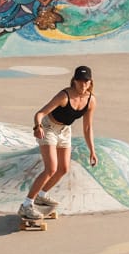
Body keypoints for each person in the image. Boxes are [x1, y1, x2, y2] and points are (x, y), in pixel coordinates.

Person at [19, 66, 98, 221]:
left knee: (63, 169)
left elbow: (88, 127)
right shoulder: (64, 96)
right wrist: (37, 126)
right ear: (74, 81)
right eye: (79, 81)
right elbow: (40, 113)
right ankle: (26, 205)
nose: (83, 84)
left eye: (86, 81)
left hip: (65, 131)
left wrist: (92, 151)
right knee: (51, 169)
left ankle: (42, 196)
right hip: (48, 128)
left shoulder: (91, 100)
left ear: (90, 82)